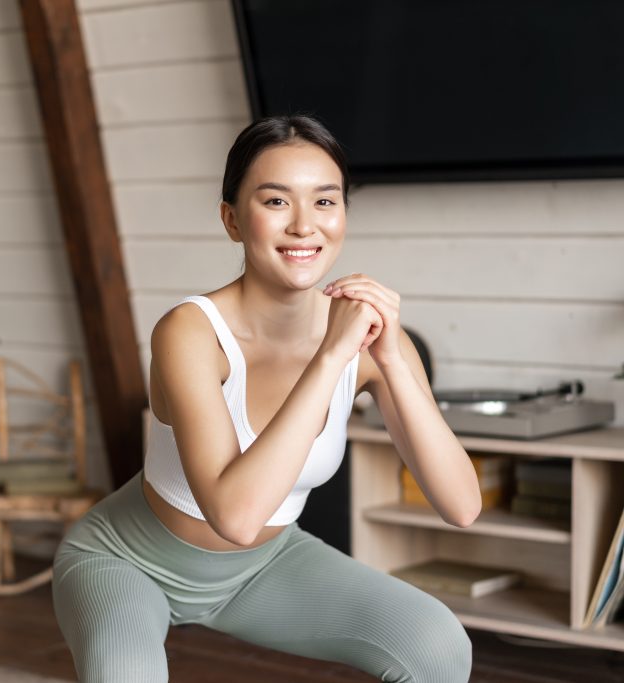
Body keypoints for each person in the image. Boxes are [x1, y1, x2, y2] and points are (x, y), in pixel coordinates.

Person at [51, 115, 481, 683]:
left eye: (325, 202)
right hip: (127, 561)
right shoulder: (190, 331)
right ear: (232, 219)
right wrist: (329, 359)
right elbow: (235, 515)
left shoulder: (372, 339)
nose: (305, 226)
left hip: (265, 568)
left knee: (437, 646)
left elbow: (461, 505)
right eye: (276, 201)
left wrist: (394, 359)